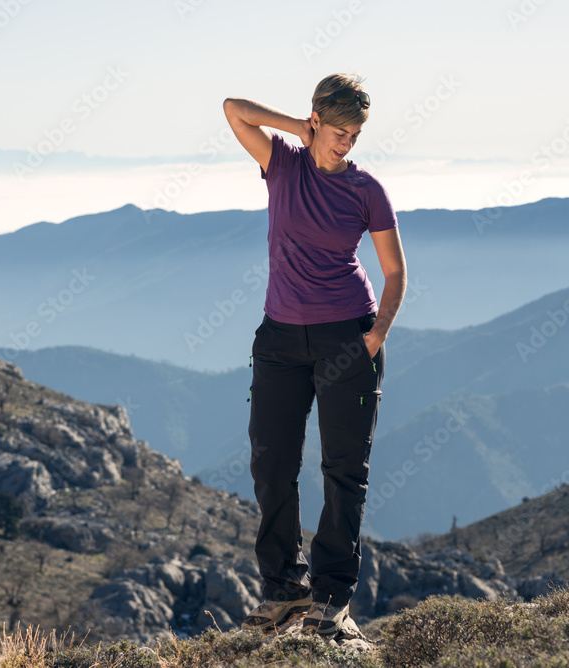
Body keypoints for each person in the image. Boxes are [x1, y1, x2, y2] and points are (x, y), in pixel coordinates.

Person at [222, 73, 406, 636]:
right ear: (317, 121)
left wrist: (376, 335)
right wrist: (296, 129)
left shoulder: (367, 189)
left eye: (355, 133)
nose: (347, 142)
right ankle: (284, 590)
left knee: (343, 469)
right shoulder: (282, 162)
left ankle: (332, 596)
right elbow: (234, 109)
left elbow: (395, 272)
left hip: (346, 335)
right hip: (279, 339)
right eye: (339, 130)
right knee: (271, 463)